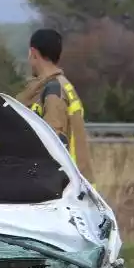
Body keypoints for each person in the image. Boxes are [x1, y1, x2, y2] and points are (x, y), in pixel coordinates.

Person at [15, 28, 91, 175]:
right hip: (73, 182)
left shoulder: (53, 91)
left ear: (33, 53)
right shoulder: (59, 86)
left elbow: (52, 144)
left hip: (64, 186)